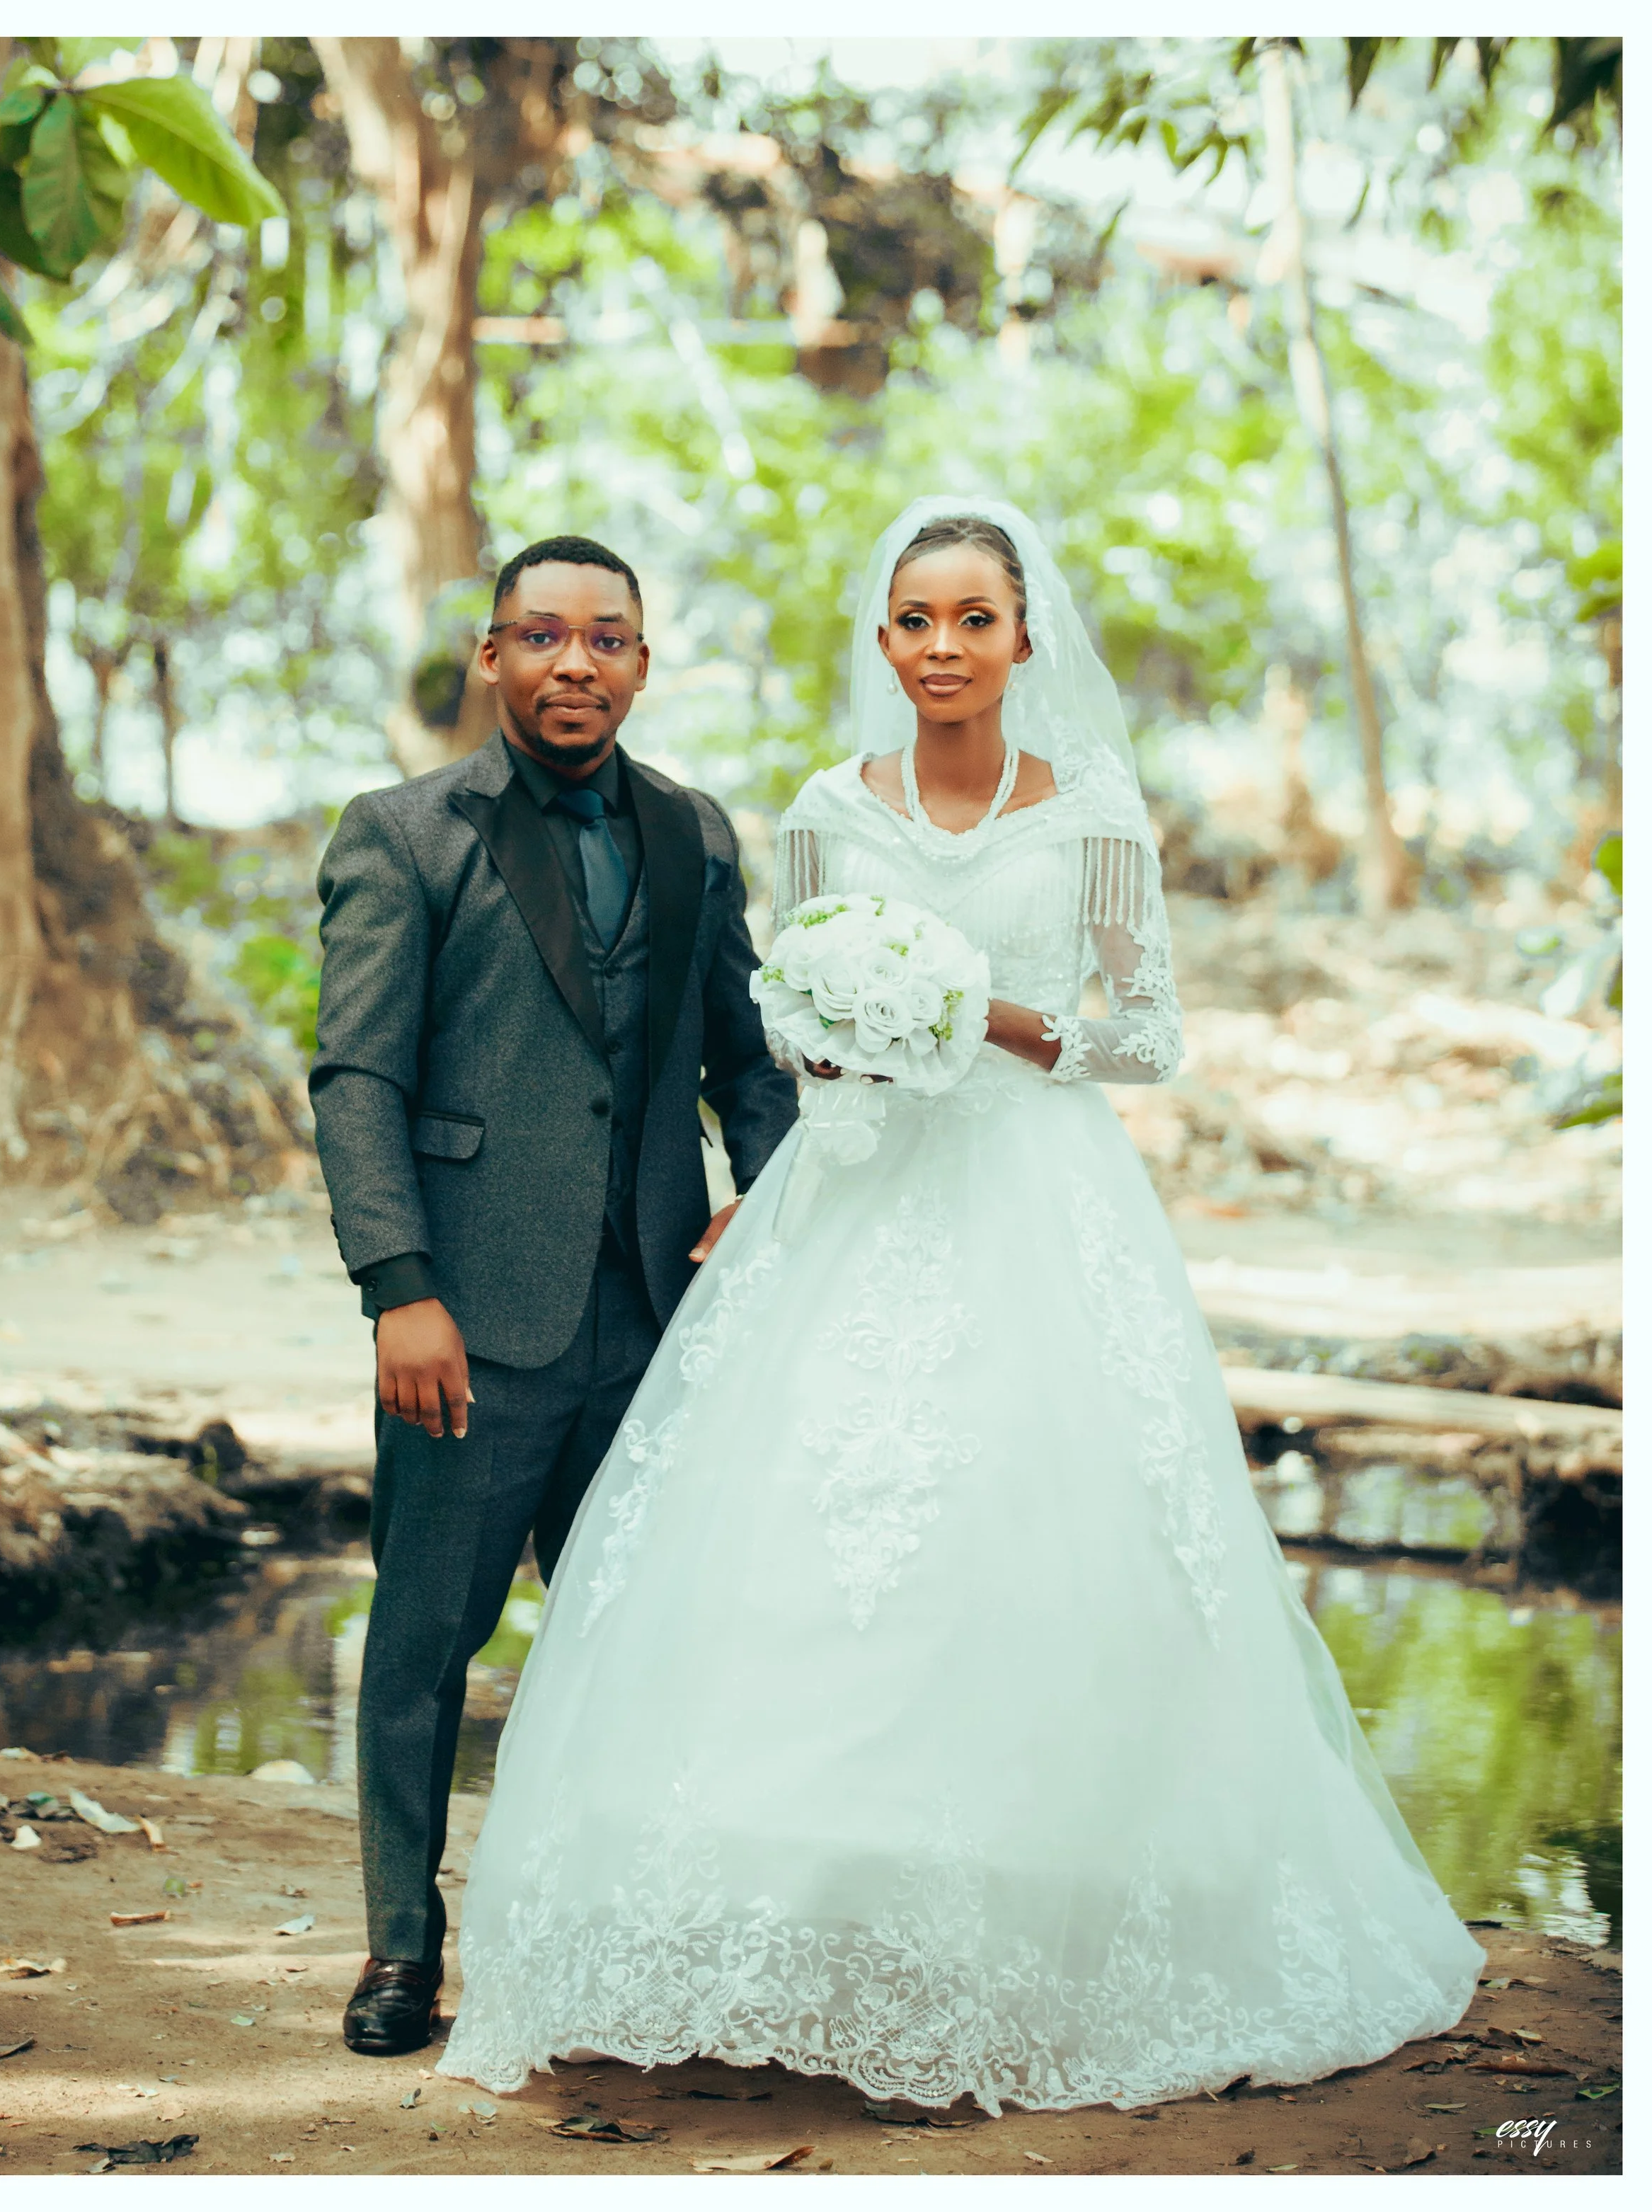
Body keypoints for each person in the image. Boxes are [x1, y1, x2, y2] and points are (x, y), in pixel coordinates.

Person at [434, 498, 1487, 2116]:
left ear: (1019, 635)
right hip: (849, 1207)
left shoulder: (1093, 820)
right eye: (913, 620)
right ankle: (794, 1940)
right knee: (805, 1553)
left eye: (971, 618)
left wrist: (972, 1010)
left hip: (1037, 1205)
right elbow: (783, 1023)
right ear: (882, 642)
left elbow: (1142, 1038)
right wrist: (846, 1034)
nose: (940, 647)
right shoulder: (817, 813)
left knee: (1034, 1541)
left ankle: (1043, 1923)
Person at [309, 533, 798, 2056]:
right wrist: (400, 1285)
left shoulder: (694, 832)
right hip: (470, 1318)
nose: (573, 663)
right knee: (421, 1644)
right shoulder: (402, 833)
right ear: (491, 657)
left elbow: (739, 1056)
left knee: (632, 1640)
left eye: (604, 639)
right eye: (540, 636)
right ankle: (402, 1948)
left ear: (642, 664)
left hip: (652, 1316)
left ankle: (597, 1939)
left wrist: (766, 1218)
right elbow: (356, 1075)